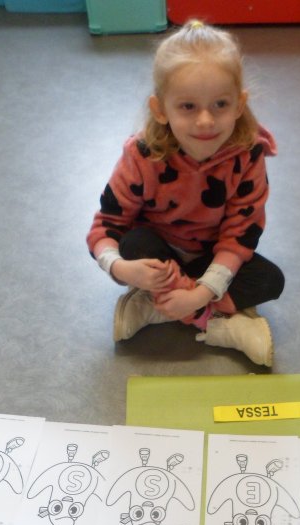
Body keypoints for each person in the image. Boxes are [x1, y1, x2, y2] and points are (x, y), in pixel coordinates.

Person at [86, 19, 284, 366]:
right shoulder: (141, 155)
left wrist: (200, 293)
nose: (206, 121)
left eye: (220, 104)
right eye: (188, 106)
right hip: (160, 252)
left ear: (239, 105)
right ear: (160, 110)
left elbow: (241, 235)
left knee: (270, 280)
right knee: (134, 245)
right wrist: (121, 269)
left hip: (211, 254)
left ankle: (157, 307)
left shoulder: (248, 154)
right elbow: (105, 229)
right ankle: (216, 324)